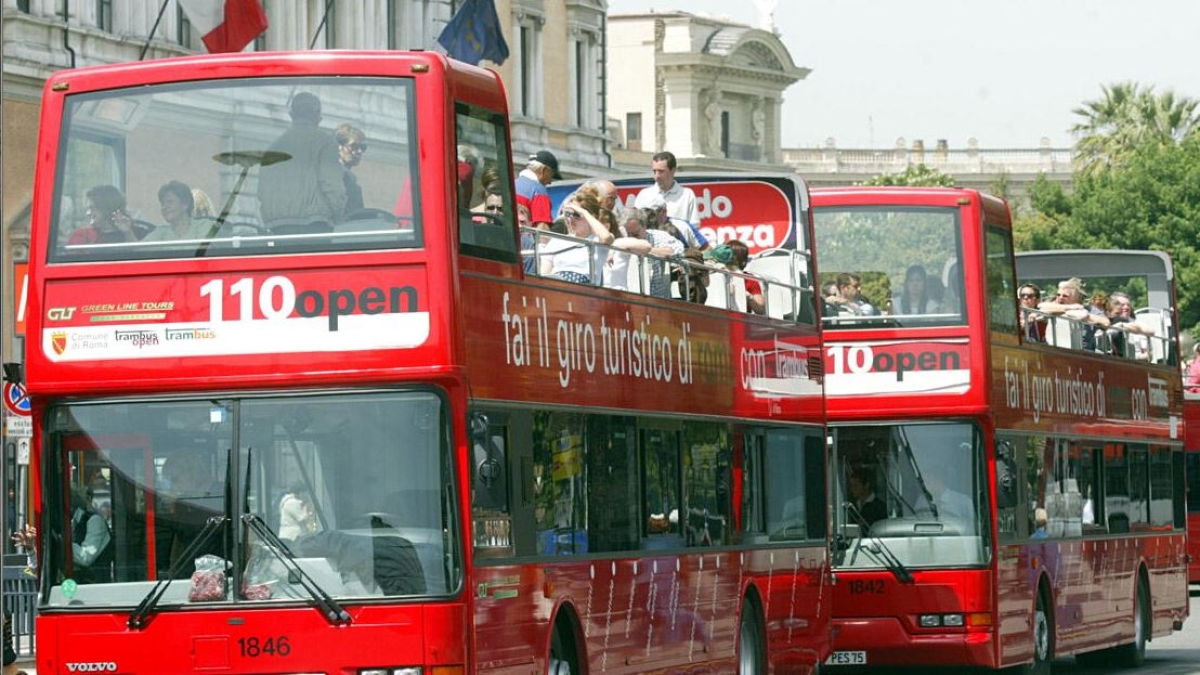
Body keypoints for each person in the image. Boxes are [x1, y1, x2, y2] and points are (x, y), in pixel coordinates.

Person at [258, 91, 347, 227]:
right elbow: (333, 186)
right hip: (314, 224)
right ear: (318, 117)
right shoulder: (325, 142)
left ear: (291, 115)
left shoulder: (274, 146)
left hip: (277, 226)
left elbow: (262, 192)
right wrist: (339, 217)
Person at [633, 151, 708, 249]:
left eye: (661, 171)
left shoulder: (686, 194)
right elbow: (635, 226)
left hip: (679, 253)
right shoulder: (644, 194)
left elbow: (694, 230)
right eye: (654, 171)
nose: (657, 176)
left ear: (673, 171)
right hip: (650, 251)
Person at [537, 192, 613, 284]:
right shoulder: (557, 241)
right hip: (558, 288)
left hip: (585, 291)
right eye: (568, 214)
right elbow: (544, 274)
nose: (571, 219)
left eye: (576, 215)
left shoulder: (597, 241)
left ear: (591, 216)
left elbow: (606, 237)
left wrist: (583, 212)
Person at [606, 206, 682, 296]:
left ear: (644, 226)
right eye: (628, 234)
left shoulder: (658, 236)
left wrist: (644, 250)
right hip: (626, 296)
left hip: (656, 298)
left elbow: (676, 251)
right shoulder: (619, 240)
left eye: (635, 234)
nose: (632, 239)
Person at [68, 486, 113, 583]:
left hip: (95, 585)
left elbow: (86, 557)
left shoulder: (95, 521)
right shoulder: (76, 521)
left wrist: (64, 544)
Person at [68, 185, 138, 246]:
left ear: (107, 208)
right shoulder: (82, 236)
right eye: (88, 209)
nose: (88, 213)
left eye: (93, 208)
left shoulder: (134, 232)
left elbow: (137, 256)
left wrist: (128, 232)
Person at [706, 241, 764, 314]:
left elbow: (760, 309)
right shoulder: (712, 273)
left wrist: (749, 297)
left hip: (741, 318)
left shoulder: (749, 279)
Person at [143, 180, 211, 241]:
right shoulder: (160, 233)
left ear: (185, 204)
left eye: (170, 202)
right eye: (162, 204)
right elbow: (139, 250)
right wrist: (131, 232)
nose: (164, 207)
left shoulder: (204, 226)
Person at [515, 150, 561, 230]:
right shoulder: (539, 191)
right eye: (551, 175)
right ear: (543, 170)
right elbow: (542, 229)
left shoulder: (512, 184)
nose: (550, 182)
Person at [335, 123, 367, 216]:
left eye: (362, 147)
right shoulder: (339, 176)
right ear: (338, 147)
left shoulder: (348, 178)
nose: (359, 151)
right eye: (354, 146)